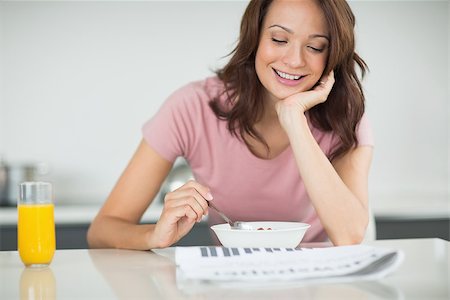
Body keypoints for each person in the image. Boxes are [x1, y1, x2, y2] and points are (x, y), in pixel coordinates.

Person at [87, 0, 373, 250]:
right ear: (255, 38)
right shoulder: (192, 107)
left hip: (319, 284)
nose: (295, 60)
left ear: (332, 55)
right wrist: (154, 236)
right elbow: (103, 230)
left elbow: (349, 235)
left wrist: (294, 119)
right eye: (279, 39)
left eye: (315, 46)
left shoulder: (344, 115)